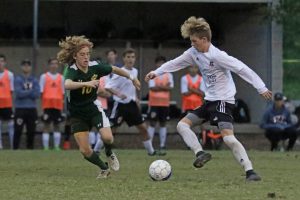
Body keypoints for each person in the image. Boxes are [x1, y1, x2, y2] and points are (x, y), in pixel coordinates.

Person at [145, 16, 272, 181]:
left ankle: (250, 171)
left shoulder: (218, 56)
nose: (192, 44)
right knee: (182, 125)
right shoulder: (193, 53)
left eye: (194, 41)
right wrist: (157, 72)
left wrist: (261, 87)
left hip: (223, 102)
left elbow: (242, 69)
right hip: (209, 101)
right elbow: (175, 63)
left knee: (228, 138)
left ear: (204, 39)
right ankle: (200, 153)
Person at [58, 36, 140, 178]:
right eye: (82, 54)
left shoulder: (95, 66)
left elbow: (115, 69)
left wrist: (132, 78)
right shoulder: (71, 70)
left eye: (88, 54)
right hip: (77, 114)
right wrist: (86, 84)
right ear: (75, 56)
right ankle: (104, 167)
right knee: (85, 151)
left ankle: (109, 152)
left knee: (108, 138)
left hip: (93, 109)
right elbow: (67, 84)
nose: (86, 57)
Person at [105, 48, 156, 156]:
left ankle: (151, 152)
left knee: (143, 128)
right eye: (128, 57)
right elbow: (108, 86)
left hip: (131, 104)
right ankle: (97, 150)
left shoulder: (135, 71)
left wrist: (135, 98)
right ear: (123, 59)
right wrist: (118, 94)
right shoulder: (120, 72)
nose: (130, 59)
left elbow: (132, 88)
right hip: (120, 105)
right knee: (111, 129)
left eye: (132, 57)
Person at [147, 56, 174, 155]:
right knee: (152, 123)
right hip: (154, 103)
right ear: (156, 64)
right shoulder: (153, 74)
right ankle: (149, 144)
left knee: (163, 123)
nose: (161, 65)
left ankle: (162, 144)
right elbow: (152, 88)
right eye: (159, 63)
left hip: (164, 103)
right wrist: (164, 87)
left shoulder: (169, 74)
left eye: (163, 63)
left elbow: (170, 87)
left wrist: (160, 87)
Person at [13, 59, 40, 149]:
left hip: (32, 108)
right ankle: (15, 148)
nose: (26, 67)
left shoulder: (34, 79)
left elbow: (37, 94)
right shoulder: (18, 79)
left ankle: (30, 148)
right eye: (24, 65)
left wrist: (26, 92)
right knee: (18, 130)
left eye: (28, 65)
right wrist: (30, 91)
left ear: (30, 67)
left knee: (31, 130)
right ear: (21, 67)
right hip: (20, 108)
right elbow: (19, 93)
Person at [40, 58, 64, 150]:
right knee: (46, 125)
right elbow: (41, 92)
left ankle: (56, 146)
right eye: (52, 64)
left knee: (57, 125)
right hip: (47, 105)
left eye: (55, 64)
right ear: (49, 65)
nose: (54, 65)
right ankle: (46, 147)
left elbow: (62, 92)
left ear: (57, 65)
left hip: (57, 105)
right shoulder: (44, 76)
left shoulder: (61, 77)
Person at [0, 54, 14, 149]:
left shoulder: (9, 74)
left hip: (7, 103)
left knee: (11, 124)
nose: (0, 63)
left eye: (2, 61)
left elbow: (11, 90)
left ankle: (13, 145)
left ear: (5, 63)